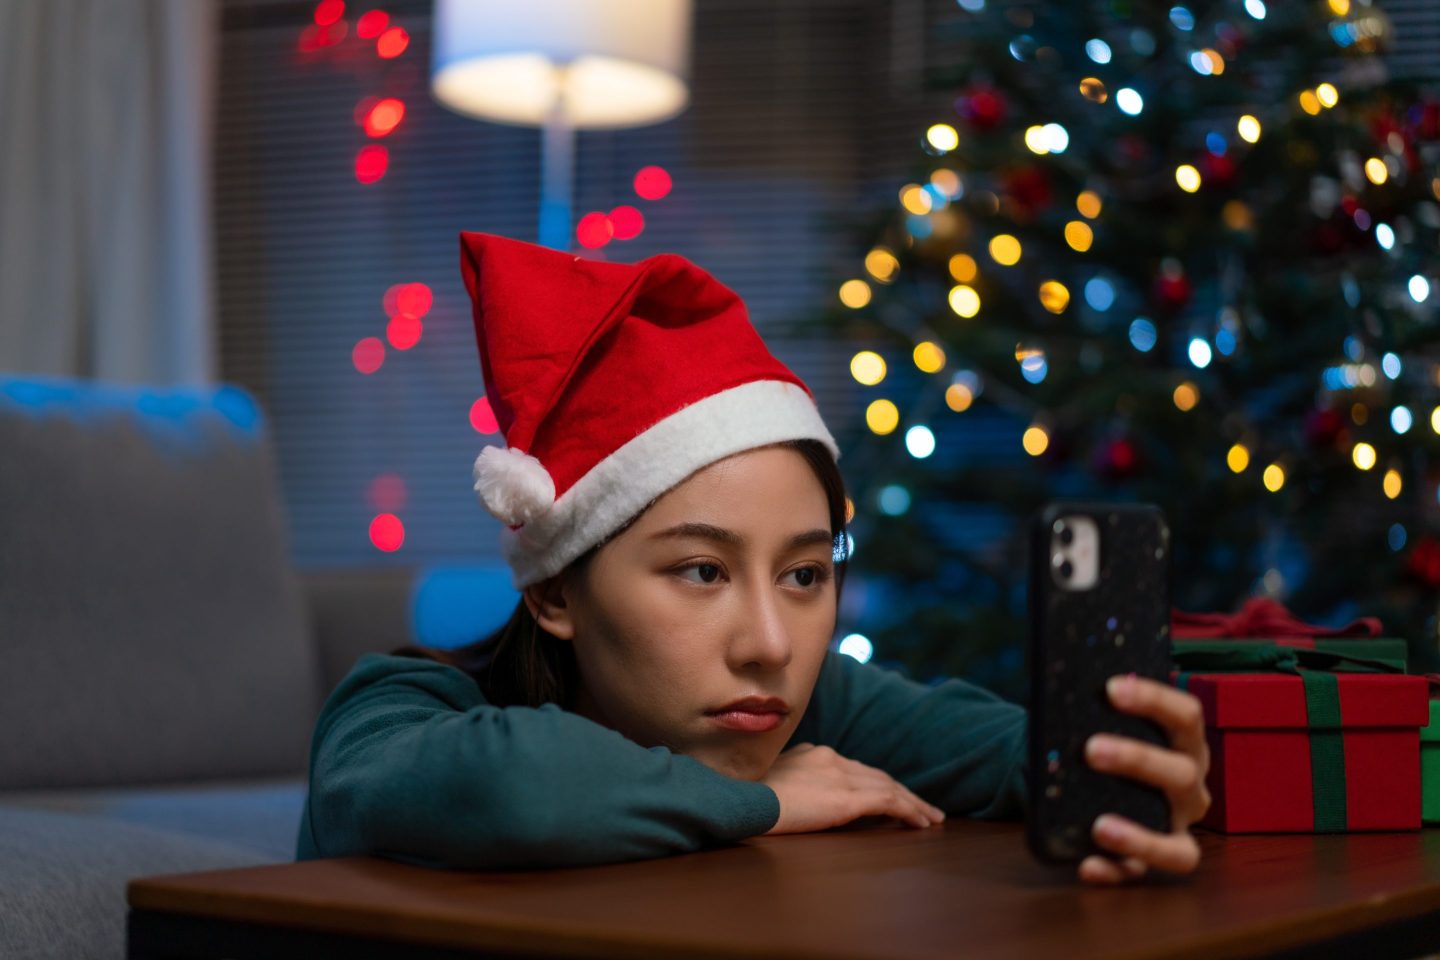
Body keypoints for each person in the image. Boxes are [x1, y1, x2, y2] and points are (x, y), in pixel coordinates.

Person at [295, 232, 1211, 885]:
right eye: (702, 571)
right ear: (554, 592)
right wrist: (768, 801)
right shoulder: (394, 715)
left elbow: (1015, 755)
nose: (771, 644)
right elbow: (512, 787)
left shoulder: (799, 709)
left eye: (805, 575)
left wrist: (1129, 775)